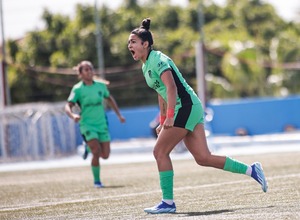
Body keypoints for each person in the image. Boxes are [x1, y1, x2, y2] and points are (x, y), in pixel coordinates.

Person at [127, 18, 268, 214]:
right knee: (203, 158)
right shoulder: (145, 66)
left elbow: (171, 87)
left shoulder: (158, 59)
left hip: (185, 107)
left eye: (133, 41)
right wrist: (162, 119)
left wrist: (169, 117)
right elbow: (161, 93)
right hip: (189, 107)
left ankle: (168, 202)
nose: (129, 45)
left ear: (145, 44)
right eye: (129, 42)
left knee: (159, 152)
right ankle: (252, 170)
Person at [65, 60, 126, 188]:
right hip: (87, 124)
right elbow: (68, 105)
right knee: (96, 151)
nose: (89, 71)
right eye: (86, 69)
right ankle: (97, 181)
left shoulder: (100, 86)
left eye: (90, 69)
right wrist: (73, 115)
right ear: (80, 73)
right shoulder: (77, 89)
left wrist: (119, 115)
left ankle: (87, 147)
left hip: (101, 124)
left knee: (105, 155)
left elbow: (109, 99)